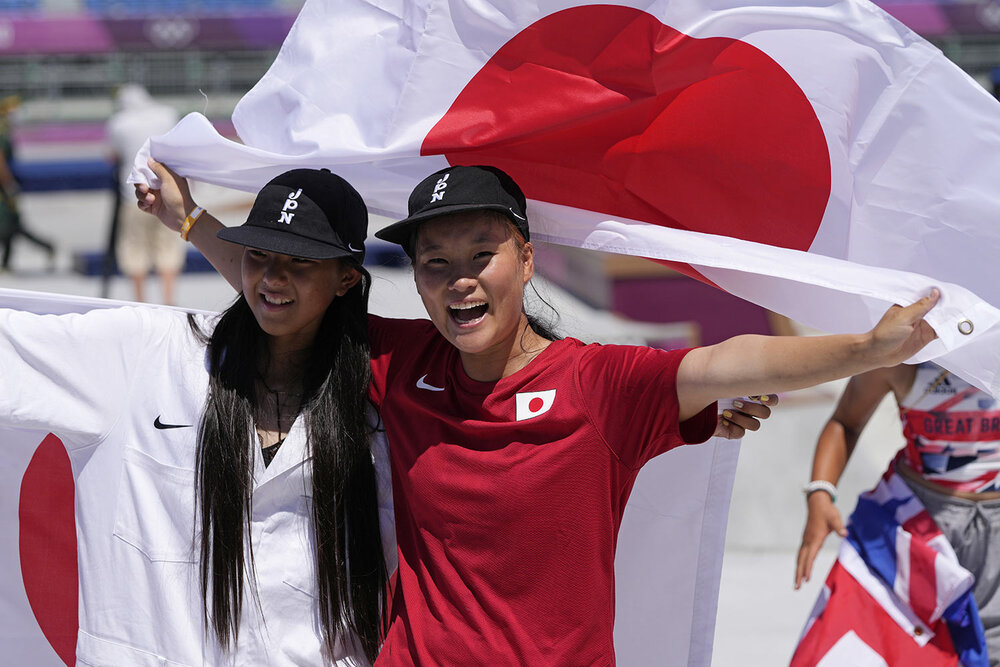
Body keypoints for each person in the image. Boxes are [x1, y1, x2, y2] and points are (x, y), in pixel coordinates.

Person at [138, 162, 938, 665]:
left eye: (479, 255)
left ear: (527, 257)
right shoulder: (401, 362)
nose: (458, 281)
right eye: (434, 264)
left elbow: (731, 361)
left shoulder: (599, 385)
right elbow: (288, 287)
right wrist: (187, 218)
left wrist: (869, 346)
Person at [2, 168, 392, 665]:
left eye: (299, 260)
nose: (273, 278)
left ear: (346, 278)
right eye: (258, 254)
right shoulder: (144, 352)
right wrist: (187, 215)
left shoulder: (381, 399)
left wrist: (188, 217)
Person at [794, 362, 1000, 664]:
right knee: (906, 648)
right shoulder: (906, 349)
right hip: (917, 526)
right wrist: (820, 494)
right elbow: (846, 422)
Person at [106, 85, 186, 303]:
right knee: (168, 248)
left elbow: (112, 156)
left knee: (135, 250)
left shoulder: (119, 123)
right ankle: (169, 301)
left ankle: (141, 302)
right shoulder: (167, 114)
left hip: (133, 195)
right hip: (167, 192)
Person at [0, 94, 55, 273]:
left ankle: (45, 247)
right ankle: (9, 261)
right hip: (5, 187)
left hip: (5, 188)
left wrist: (8, 184)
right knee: (12, 226)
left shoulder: (4, 129)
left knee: (11, 225)